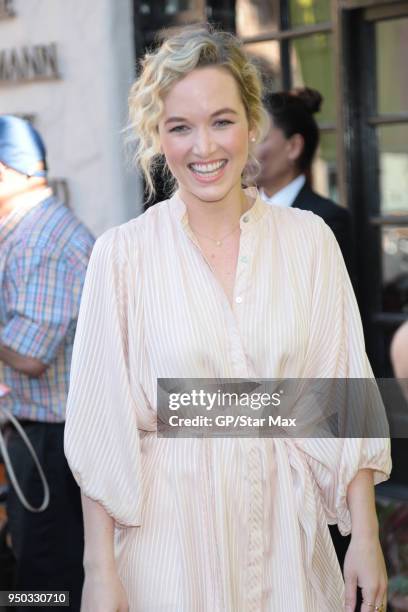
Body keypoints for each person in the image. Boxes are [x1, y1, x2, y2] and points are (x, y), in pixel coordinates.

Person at [64, 27, 391, 612]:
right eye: (179, 126)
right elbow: (102, 423)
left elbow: (343, 393)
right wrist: (99, 569)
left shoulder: (309, 241)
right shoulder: (121, 256)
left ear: (251, 124)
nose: (203, 146)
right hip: (168, 549)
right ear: (156, 137)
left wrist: (364, 538)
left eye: (221, 120)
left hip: (288, 545)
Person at [0, 115, 94, 610]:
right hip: (42, 433)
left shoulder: (42, 240)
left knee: (44, 572)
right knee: (44, 566)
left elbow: (31, 357)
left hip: (53, 438)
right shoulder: (29, 231)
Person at [255, 88, 354, 279]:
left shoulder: (327, 219)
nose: (247, 147)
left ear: (293, 146)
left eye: (259, 138)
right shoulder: (239, 212)